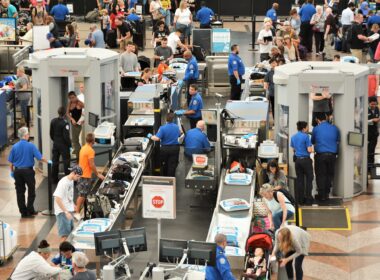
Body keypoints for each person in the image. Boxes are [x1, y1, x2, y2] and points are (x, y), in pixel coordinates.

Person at [8, 127, 48, 218]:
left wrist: (12, 172)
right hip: (28, 172)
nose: (29, 135)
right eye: (28, 134)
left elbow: (10, 162)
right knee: (31, 190)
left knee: (20, 192)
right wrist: (48, 162)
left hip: (17, 172)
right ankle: (30, 210)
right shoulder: (31, 146)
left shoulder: (15, 146)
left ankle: (23, 212)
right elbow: (40, 158)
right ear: (25, 135)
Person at [311, 113, 340, 202]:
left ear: (317, 120)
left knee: (320, 175)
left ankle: (321, 195)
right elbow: (338, 141)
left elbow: (312, 141)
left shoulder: (316, 129)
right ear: (326, 118)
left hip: (320, 156)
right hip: (332, 156)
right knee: (329, 174)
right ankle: (327, 194)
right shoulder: (335, 128)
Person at [76, 133, 105, 220]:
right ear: (93, 141)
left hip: (81, 174)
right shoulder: (90, 151)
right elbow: (91, 165)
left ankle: (82, 212)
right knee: (82, 195)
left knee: (83, 194)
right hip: (85, 176)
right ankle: (77, 212)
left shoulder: (83, 148)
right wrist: (98, 174)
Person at [54, 165, 82, 241]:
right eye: (78, 176)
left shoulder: (71, 181)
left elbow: (68, 195)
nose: (78, 178)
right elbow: (57, 198)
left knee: (70, 233)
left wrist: (73, 204)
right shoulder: (63, 183)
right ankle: (62, 252)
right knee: (65, 235)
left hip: (69, 210)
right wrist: (66, 212)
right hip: (63, 212)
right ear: (73, 173)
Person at [149, 112, 182, 177]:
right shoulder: (176, 127)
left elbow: (157, 139)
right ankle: (172, 180)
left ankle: (166, 179)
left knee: (165, 164)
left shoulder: (162, 128)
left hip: (165, 149)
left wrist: (149, 136)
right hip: (175, 148)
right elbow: (179, 134)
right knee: (172, 165)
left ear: (165, 119)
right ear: (173, 119)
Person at [290, 121, 314, 205]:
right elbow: (309, 150)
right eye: (307, 127)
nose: (308, 128)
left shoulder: (293, 137)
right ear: (304, 128)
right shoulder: (306, 136)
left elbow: (293, 149)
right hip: (306, 160)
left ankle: (300, 200)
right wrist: (313, 150)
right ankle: (308, 199)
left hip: (298, 161)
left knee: (300, 180)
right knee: (309, 179)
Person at [50, 106, 71, 183]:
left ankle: (54, 179)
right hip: (64, 146)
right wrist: (70, 145)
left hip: (55, 144)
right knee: (66, 162)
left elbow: (51, 134)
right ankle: (67, 179)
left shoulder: (53, 121)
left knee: (55, 161)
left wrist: (55, 140)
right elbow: (66, 137)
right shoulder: (65, 123)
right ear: (65, 113)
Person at [66, 91, 84, 160]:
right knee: (74, 140)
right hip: (73, 124)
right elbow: (67, 113)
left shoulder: (79, 103)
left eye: (73, 97)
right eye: (70, 98)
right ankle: (78, 154)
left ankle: (79, 156)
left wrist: (83, 118)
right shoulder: (70, 103)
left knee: (75, 140)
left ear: (76, 96)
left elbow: (87, 109)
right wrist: (72, 119)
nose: (72, 99)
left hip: (78, 125)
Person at [368, 96, 380, 170]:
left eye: (375, 104)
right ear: (369, 103)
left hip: (374, 134)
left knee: (372, 151)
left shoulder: (377, 109)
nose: (373, 106)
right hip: (367, 134)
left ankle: (371, 168)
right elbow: (361, 122)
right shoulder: (364, 109)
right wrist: (372, 120)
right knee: (368, 151)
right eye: (372, 104)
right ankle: (367, 167)